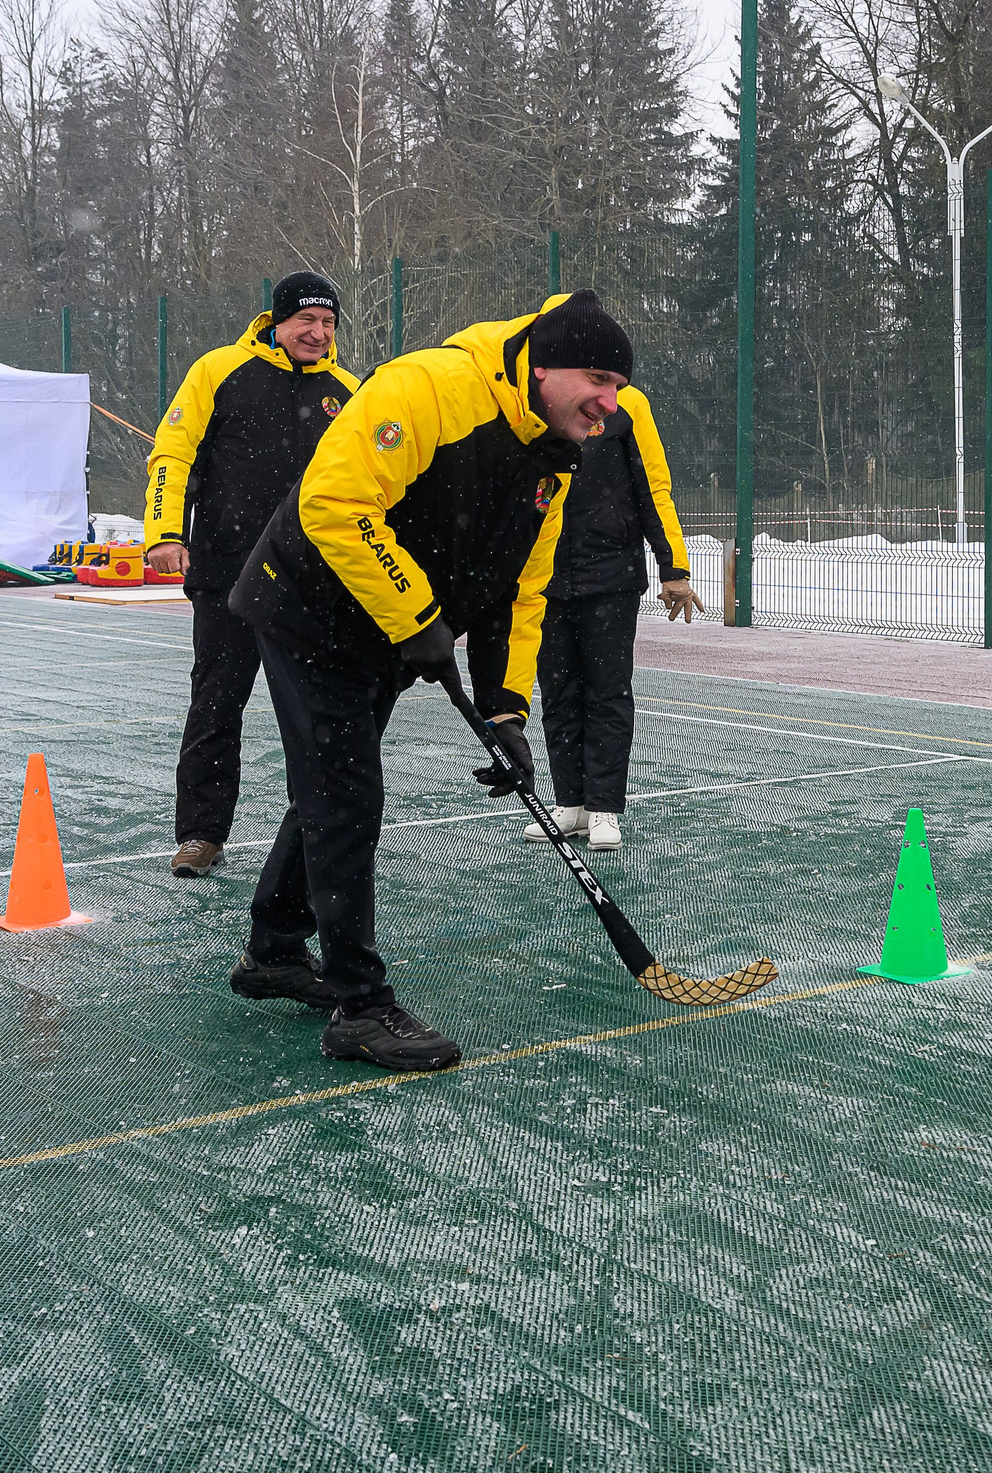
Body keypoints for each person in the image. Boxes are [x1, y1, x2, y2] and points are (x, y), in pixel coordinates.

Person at [225, 288, 634, 1070]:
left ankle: (274, 947)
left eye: (618, 389)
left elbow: (523, 588)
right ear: (543, 365)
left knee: (329, 782)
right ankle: (359, 1005)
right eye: (598, 380)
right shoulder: (429, 389)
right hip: (308, 606)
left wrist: (506, 707)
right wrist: (418, 619)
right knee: (344, 790)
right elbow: (336, 505)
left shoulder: (554, 453)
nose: (609, 405)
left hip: (383, 621)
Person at [143, 271, 354, 878]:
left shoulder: (348, 389)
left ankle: (315, 828)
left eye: (328, 324)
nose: (317, 333)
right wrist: (165, 534)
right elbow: (172, 453)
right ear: (276, 321)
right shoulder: (218, 370)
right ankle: (201, 835)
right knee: (216, 705)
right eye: (305, 321)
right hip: (228, 578)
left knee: (317, 715)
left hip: (311, 584)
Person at [529, 381, 702, 851]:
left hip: (611, 577)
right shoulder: (531, 402)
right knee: (558, 689)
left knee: (606, 692)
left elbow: (653, 486)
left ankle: (603, 806)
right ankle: (571, 804)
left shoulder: (629, 406)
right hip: (544, 579)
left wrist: (674, 567)